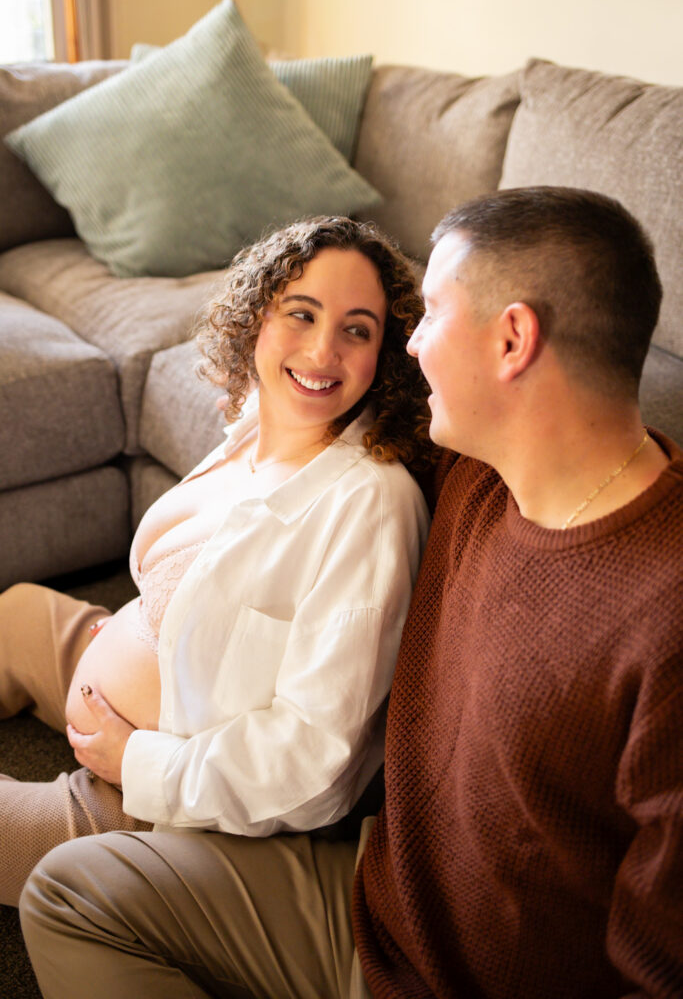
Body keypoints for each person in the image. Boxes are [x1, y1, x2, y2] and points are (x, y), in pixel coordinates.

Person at [18, 187, 683, 999]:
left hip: (425, 969)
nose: (410, 347)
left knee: (69, 892)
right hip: (386, 878)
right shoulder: (487, 474)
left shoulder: (661, 618)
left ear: (511, 339)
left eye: (429, 315)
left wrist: (149, 759)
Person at [0, 215, 433, 908]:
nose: (323, 350)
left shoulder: (369, 508)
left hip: (166, 806)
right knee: (15, 611)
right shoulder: (252, 430)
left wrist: (136, 761)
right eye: (301, 313)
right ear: (256, 318)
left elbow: (316, 761)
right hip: (132, 679)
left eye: (357, 329)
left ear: (383, 353)